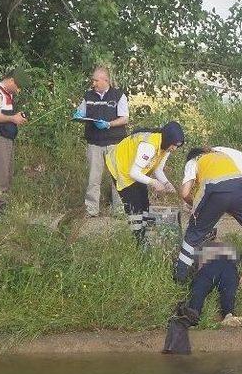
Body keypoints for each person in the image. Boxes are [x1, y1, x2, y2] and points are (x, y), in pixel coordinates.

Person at [173, 147, 242, 282]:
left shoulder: (193, 161)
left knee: (194, 233)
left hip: (214, 191)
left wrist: (193, 204)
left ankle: (180, 276)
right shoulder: (222, 156)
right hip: (241, 188)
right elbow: (230, 185)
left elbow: (184, 193)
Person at [104, 121, 184, 243]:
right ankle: (138, 240)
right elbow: (133, 173)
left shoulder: (165, 147)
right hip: (121, 167)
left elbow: (158, 169)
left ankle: (145, 232)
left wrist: (167, 183)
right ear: (168, 139)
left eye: (177, 146)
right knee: (134, 205)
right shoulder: (149, 146)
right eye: (174, 145)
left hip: (136, 169)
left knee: (144, 201)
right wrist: (154, 182)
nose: (174, 149)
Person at [163, 242, 242, 355]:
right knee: (200, 289)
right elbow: (184, 265)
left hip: (227, 266)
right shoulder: (199, 248)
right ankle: (194, 313)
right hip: (208, 267)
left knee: (227, 289)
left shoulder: (230, 249)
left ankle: (228, 315)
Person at [73, 66, 129, 217]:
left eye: (96, 80)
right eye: (93, 80)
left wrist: (109, 124)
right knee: (93, 178)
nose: (94, 83)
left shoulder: (118, 96)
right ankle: (91, 210)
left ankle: (119, 211)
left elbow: (125, 118)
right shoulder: (88, 96)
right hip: (94, 143)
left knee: (117, 177)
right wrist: (78, 115)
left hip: (115, 144)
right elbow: (80, 114)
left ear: (106, 80)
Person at [0, 68, 30, 217]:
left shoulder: (7, 94)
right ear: (11, 81)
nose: (19, 90)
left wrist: (16, 117)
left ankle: (3, 212)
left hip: (6, 139)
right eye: (18, 86)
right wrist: (13, 119)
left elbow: (5, 114)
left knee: (7, 176)